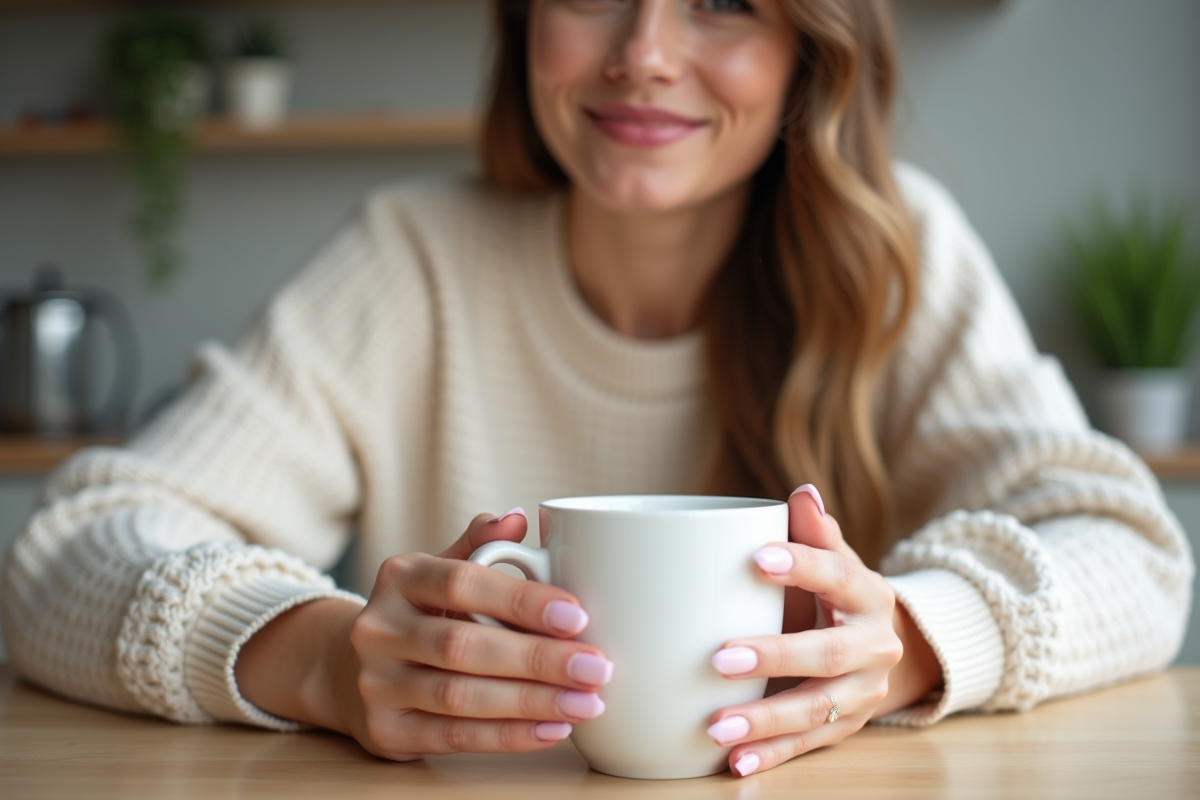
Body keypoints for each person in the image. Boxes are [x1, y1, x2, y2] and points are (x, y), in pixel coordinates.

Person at [1, 0, 1192, 780]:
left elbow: (1134, 551)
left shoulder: (901, 256)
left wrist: (916, 644)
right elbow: (72, 539)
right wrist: (317, 657)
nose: (643, 51)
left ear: (808, 52)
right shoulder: (411, 258)